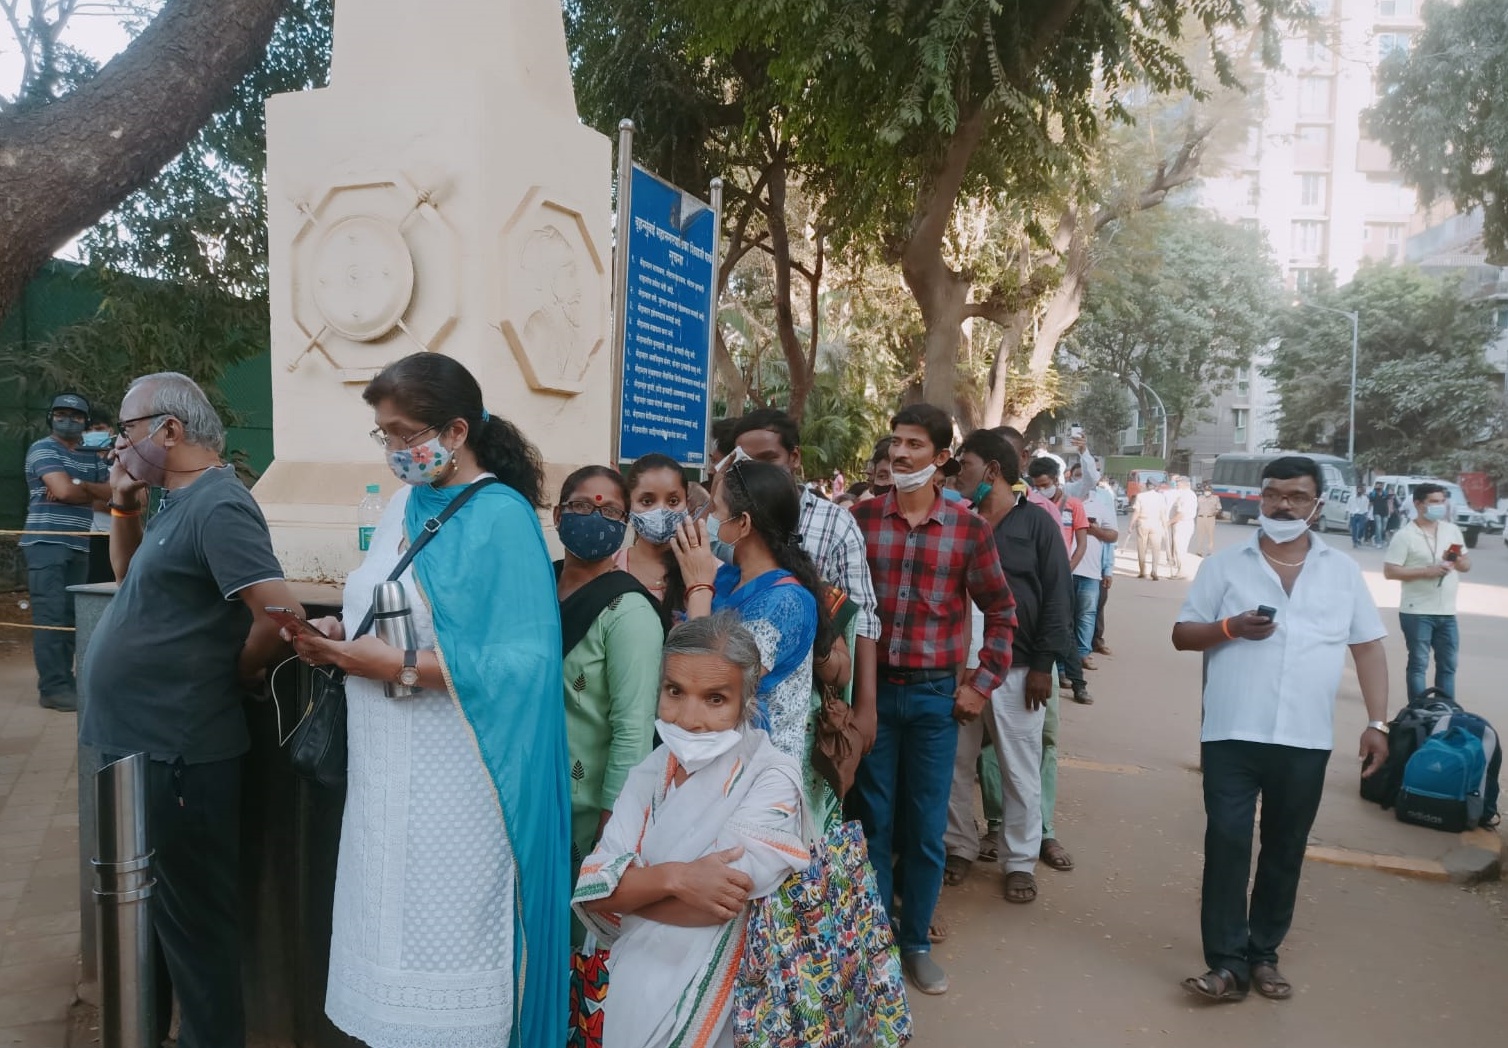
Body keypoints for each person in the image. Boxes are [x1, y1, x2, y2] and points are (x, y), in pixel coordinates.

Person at [290, 353, 570, 1048]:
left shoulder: (501, 516)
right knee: (385, 930)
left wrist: (400, 664)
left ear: (455, 429)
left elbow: (527, 660)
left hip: (463, 780)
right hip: (385, 775)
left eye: (403, 433)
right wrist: (336, 632)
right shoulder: (402, 506)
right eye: (383, 434)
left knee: (449, 942)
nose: (393, 449)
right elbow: (384, 601)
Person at [79, 373, 302, 1048]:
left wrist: (240, 669)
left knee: (197, 934)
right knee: (153, 925)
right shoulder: (174, 502)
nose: (119, 443)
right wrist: (124, 508)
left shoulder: (220, 504)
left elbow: (279, 611)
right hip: (138, 745)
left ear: (169, 430)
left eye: (127, 428)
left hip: (182, 753)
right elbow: (130, 578)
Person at [1172, 455, 1389, 1004]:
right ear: (1260, 498)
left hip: (1305, 739)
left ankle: (1262, 954)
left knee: (1285, 849)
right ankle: (1225, 963)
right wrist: (1230, 628)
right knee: (1226, 844)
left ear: (1317, 505)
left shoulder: (1341, 572)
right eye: (1274, 494)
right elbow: (1182, 633)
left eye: (1295, 496)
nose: (1283, 505)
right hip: (1231, 733)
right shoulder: (1223, 566)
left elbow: (1367, 647)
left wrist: (1377, 722)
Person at [573, 612, 814, 1048]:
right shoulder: (648, 774)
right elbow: (596, 889)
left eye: (715, 699)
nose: (689, 718)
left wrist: (631, 890)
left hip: (728, 999)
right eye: (675, 692)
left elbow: (721, 902)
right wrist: (678, 878)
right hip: (636, 989)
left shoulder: (771, 776)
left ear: (746, 700)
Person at [849, 403, 1016, 995]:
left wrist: (980, 683)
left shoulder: (969, 529)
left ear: (942, 458)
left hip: (935, 702)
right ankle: (870, 944)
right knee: (872, 823)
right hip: (871, 697)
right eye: (895, 442)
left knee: (924, 829)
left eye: (914, 444)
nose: (899, 454)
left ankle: (914, 941)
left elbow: (1001, 611)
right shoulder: (862, 519)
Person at [670, 460, 845, 824]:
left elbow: (705, 680)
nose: (705, 517)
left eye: (715, 509)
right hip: (710, 766)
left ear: (743, 524)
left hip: (755, 786)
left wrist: (698, 587)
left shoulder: (786, 603)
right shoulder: (729, 577)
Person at [947, 429, 1073, 904]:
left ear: (993, 471)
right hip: (961, 670)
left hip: (1019, 671)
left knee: (1020, 771)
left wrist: (1043, 664)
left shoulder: (1037, 525)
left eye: (967, 465)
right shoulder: (959, 522)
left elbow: (1058, 597)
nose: (961, 474)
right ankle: (957, 846)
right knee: (955, 768)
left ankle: (1019, 861)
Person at [728, 408, 880, 752]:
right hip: (737, 703)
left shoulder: (835, 524)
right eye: (745, 462)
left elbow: (864, 620)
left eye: (768, 459)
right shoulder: (729, 527)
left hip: (809, 705)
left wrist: (866, 706)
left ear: (794, 457)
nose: (757, 472)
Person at [554, 466, 668, 908]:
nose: (594, 518)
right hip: (532, 795)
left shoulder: (628, 611)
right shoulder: (537, 585)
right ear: (558, 515)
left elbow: (634, 728)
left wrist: (614, 822)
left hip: (586, 811)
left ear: (625, 527)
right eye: (581, 506)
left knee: (575, 932)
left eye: (611, 512)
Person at [21, 392, 113, 710]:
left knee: (72, 616)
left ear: (85, 422)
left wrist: (80, 487)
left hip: (79, 543)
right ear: (50, 417)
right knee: (50, 615)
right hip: (46, 543)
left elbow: (113, 496)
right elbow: (61, 490)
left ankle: (67, 682)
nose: (68, 420)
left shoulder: (90, 455)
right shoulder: (42, 449)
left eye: (75, 416)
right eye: (61, 413)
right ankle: (53, 688)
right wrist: (85, 489)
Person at [1382, 482, 1472, 703]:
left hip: (1447, 612)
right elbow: (1390, 571)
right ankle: (1419, 711)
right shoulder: (1405, 535)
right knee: (1418, 665)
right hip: (1417, 612)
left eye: (1442, 501)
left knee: (1448, 665)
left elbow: (1466, 565)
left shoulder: (1451, 530)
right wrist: (1427, 571)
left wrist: (1458, 560)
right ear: (1418, 504)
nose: (1439, 506)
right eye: (1434, 502)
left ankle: (1445, 712)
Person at [618, 453, 691, 614]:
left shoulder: (706, 568)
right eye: (647, 501)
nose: (661, 511)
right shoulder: (611, 567)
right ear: (628, 505)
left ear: (688, 504)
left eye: (673, 501)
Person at [1091, 474, 1119, 655]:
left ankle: (1096, 640)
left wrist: (1108, 569)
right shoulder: (1071, 497)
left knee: (1098, 602)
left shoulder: (1103, 498)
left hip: (1099, 564)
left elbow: (1110, 538)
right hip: (1076, 565)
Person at [1130, 479, 1169, 580]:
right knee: (1156, 548)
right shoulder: (1161, 497)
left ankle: (1142, 571)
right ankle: (1154, 570)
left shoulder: (1141, 496)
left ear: (1147, 486)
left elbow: (1137, 512)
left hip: (1143, 523)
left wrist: (1131, 525)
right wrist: (1165, 527)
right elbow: (1163, 514)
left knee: (1142, 547)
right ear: (1155, 487)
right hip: (1156, 523)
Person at [1167, 478, 1198, 577]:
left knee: (1180, 549)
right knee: (1181, 548)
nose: (1176, 485)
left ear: (1184, 484)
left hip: (1183, 523)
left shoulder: (1186, 495)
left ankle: (1182, 571)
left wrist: (1169, 522)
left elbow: (1181, 514)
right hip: (1186, 523)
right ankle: (1181, 570)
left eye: (1178, 483)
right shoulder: (1189, 494)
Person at [1195, 484, 1222, 557]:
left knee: (1210, 536)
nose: (1207, 492)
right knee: (1200, 535)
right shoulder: (1199, 497)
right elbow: (1196, 507)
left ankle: (1210, 551)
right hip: (1200, 518)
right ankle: (1199, 551)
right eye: (1206, 491)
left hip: (1210, 518)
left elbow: (1219, 508)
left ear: (1211, 491)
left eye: (1208, 491)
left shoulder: (1215, 498)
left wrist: (1215, 513)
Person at [1368, 481, 1390, 548]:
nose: (1379, 487)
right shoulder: (1373, 494)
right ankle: (1379, 542)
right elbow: (1370, 503)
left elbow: (1389, 502)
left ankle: (1375, 537)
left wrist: (1389, 511)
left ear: (1382, 486)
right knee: (1379, 527)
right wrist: (1368, 512)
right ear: (1375, 486)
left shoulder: (1385, 493)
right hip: (1376, 512)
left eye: (1380, 485)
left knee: (1383, 528)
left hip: (1385, 512)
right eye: (1378, 485)